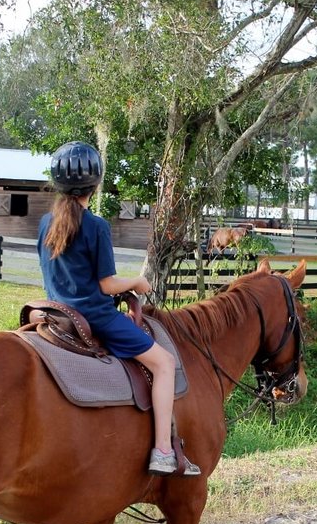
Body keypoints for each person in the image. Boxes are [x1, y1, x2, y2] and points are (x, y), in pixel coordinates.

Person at [37, 141, 201, 477]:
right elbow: (107, 285)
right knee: (165, 363)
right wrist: (137, 283)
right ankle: (163, 451)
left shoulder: (45, 223)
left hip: (55, 313)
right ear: (95, 184)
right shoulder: (95, 226)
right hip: (94, 317)